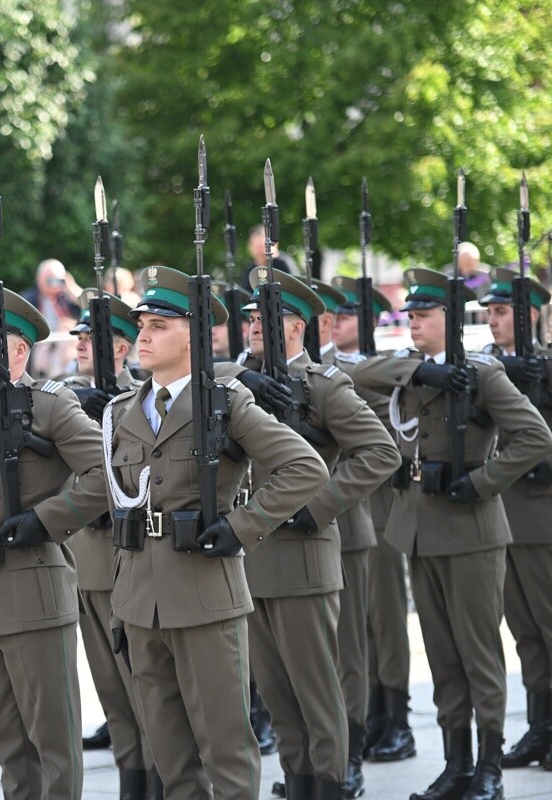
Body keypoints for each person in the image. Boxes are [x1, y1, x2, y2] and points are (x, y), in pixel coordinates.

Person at [105, 265, 330, 800]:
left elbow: (305, 468)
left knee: (226, 750)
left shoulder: (225, 403)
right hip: (141, 601)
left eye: (159, 325)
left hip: (205, 595)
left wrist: (241, 527)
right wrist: (120, 600)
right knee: (169, 755)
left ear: (194, 333)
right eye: (141, 324)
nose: (142, 335)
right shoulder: (120, 412)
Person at [351, 268, 552, 800]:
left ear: (450, 319)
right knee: (441, 656)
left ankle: (489, 768)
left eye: (422, 316)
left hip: (470, 529)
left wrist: (484, 481)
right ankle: (455, 764)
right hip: (417, 528)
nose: (412, 323)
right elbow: (356, 374)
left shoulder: (482, 374)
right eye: (410, 316)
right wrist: (421, 375)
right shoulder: (413, 371)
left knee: (479, 654)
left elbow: (534, 435)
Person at [223, 267, 401, 800]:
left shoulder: (324, 385)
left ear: (296, 327)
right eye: (251, 318)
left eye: (265, 319)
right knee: (278, 696)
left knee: (319, 693)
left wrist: (317, 505)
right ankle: (300, 783)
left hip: (304, 556)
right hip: (251, 558)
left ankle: (330, 785)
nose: (253, 326)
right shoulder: (233, 383)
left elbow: (381, 452)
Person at [0, 288, 108, 799]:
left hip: (34, 589)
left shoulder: (50, 406)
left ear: (18, 352)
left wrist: (47, 519)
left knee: (52, 741)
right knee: (6, 742)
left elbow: (105, 474)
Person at [481, 268, 552, 771]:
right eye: (489, 313)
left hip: (543, 511)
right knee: (523, 628)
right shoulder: (484, 365)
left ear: (527, 317)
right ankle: (540, 726)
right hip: (499, 513)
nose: (492, 321)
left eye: (501, 313)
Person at [59, 291, 155, 796]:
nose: (78, 343)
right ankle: (132, 784)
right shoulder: (65, 398)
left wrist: (113, 412)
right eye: (76, 335)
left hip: (133, 560)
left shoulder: (147, 396)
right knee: (114, 697)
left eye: (90, 337)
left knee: (148, 694)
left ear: (120, 348)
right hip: (88, 564)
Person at [329, 276, 417, 765]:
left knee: (385, 617)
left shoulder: (373, 366)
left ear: (366, 321)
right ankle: (370, 714)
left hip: (383, 507)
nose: (334, 323)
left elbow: (394, 371)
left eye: (343, 316)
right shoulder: (340, 368)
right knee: (356, 623)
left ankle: (397, 718)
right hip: (352, 505)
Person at [308, 277, 388, 798]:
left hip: (346, 529)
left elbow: (378, 449)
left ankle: (351, 754)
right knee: (308, 660)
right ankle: (316, 762)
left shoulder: (343, 374)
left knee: (347, 652)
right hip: (283, 536)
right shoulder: (263, 376)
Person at [22, 259, 81, 378]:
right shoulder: (29, 299)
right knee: (42, 352)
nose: (53, 285)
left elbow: (87, 309)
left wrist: (72, 288)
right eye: (49, 280)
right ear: (39, 279)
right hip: (40, 344)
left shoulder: (67, 298)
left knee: (65, 347)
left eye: (57, 280)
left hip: (63, 346)